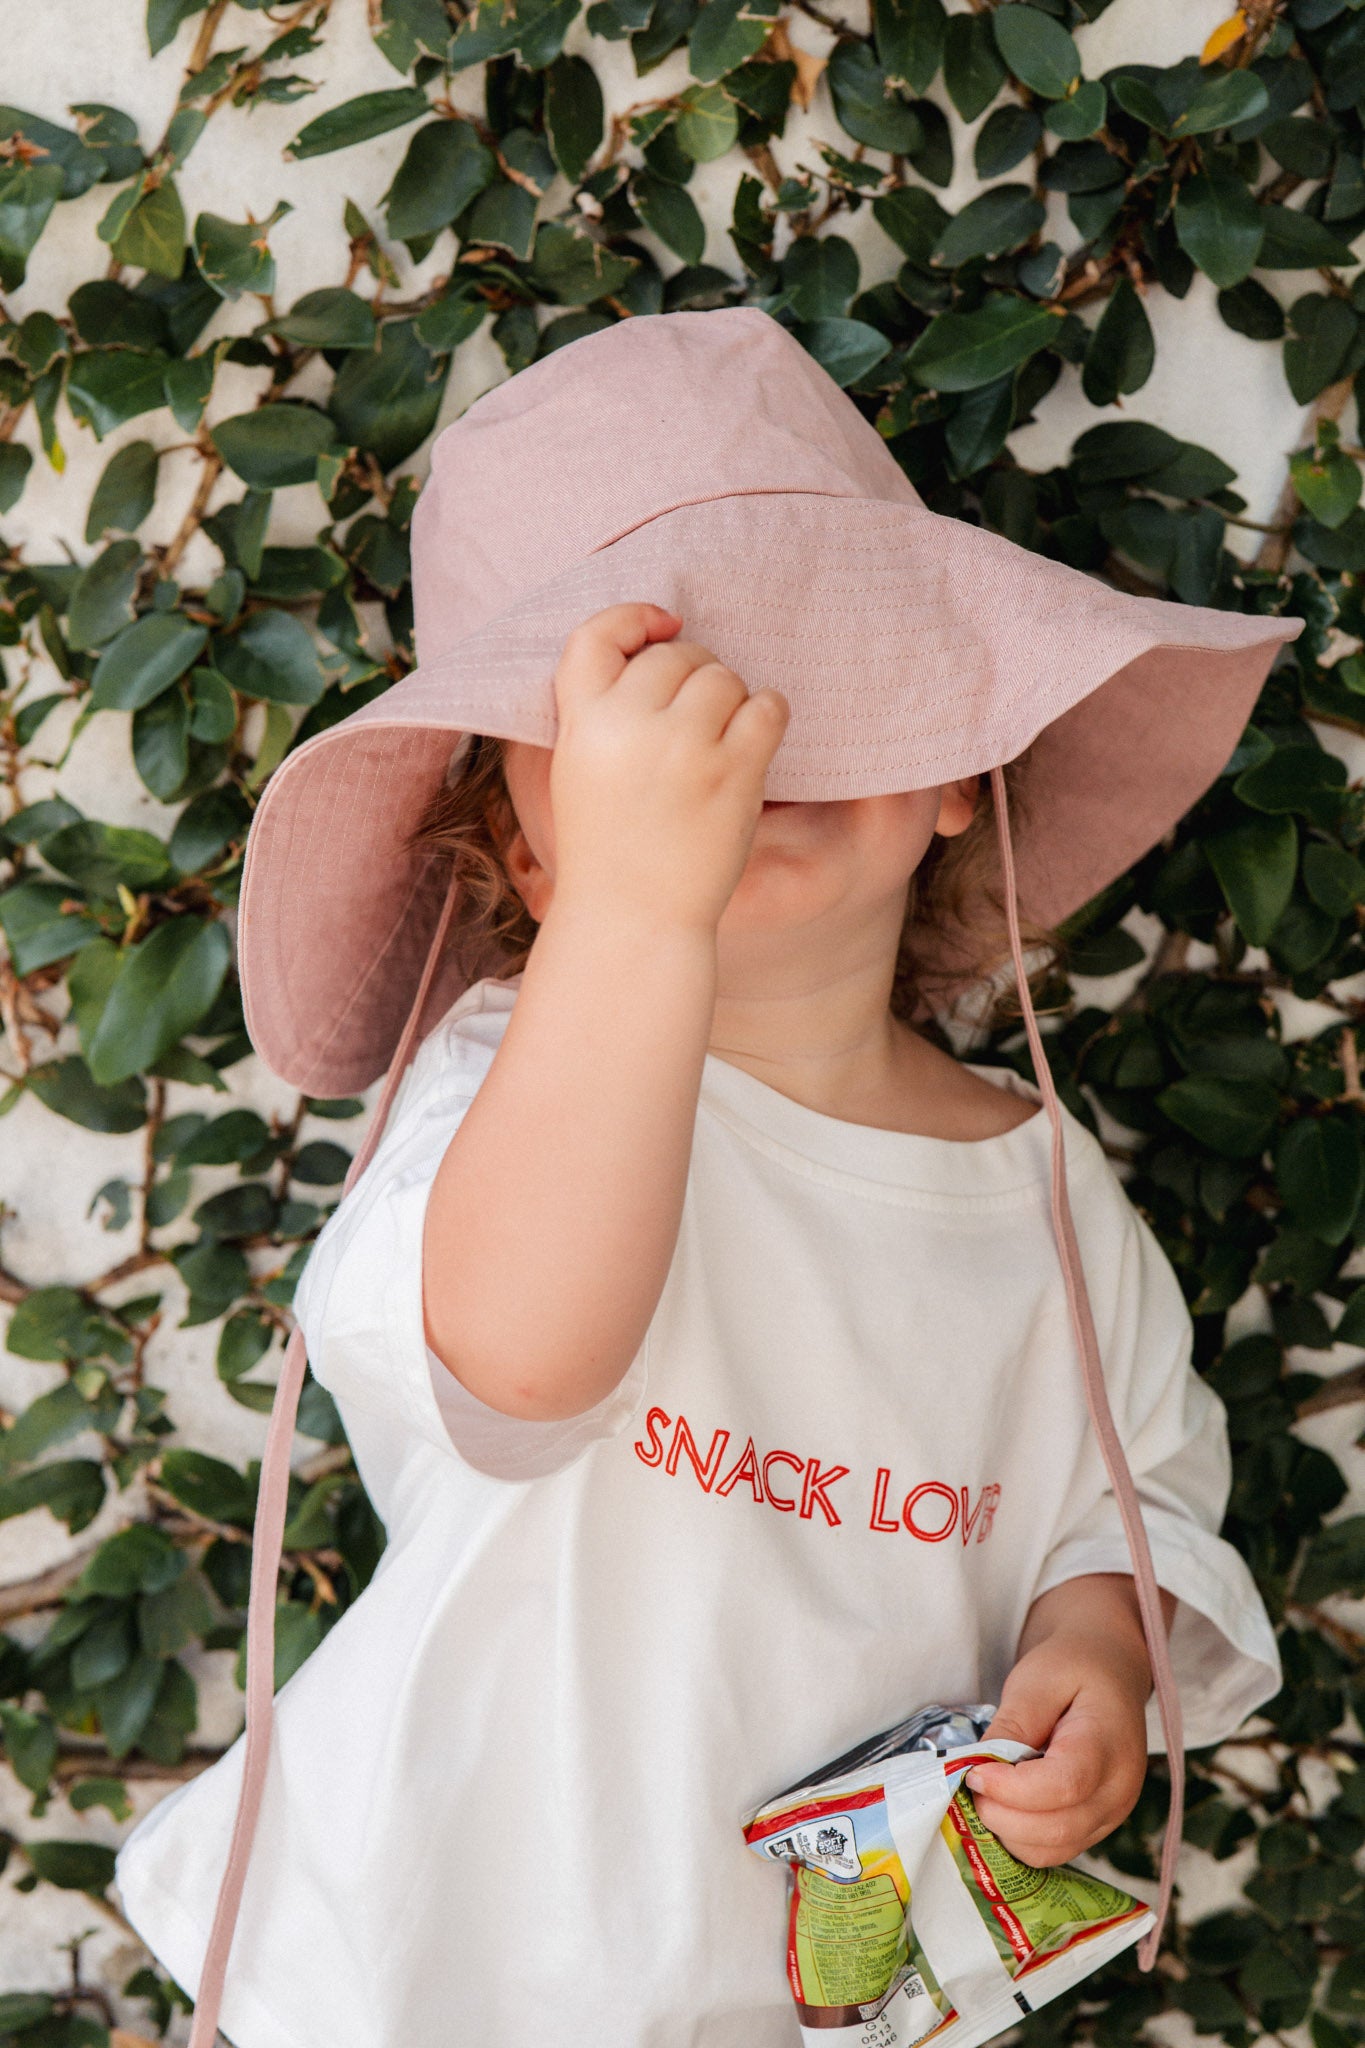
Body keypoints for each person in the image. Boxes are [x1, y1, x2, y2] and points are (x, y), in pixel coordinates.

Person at [113, 307, 1297, 2048]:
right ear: (527, 842)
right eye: (636, 713)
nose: (738, 740)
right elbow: (520, 1368)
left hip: (793, 1998)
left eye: (819, 667)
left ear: (960, 769)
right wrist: (637, 911)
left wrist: (1096, 1655)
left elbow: (1122, 1512)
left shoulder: (1049, 1208)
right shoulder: (505, 1084)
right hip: (424, 1967)